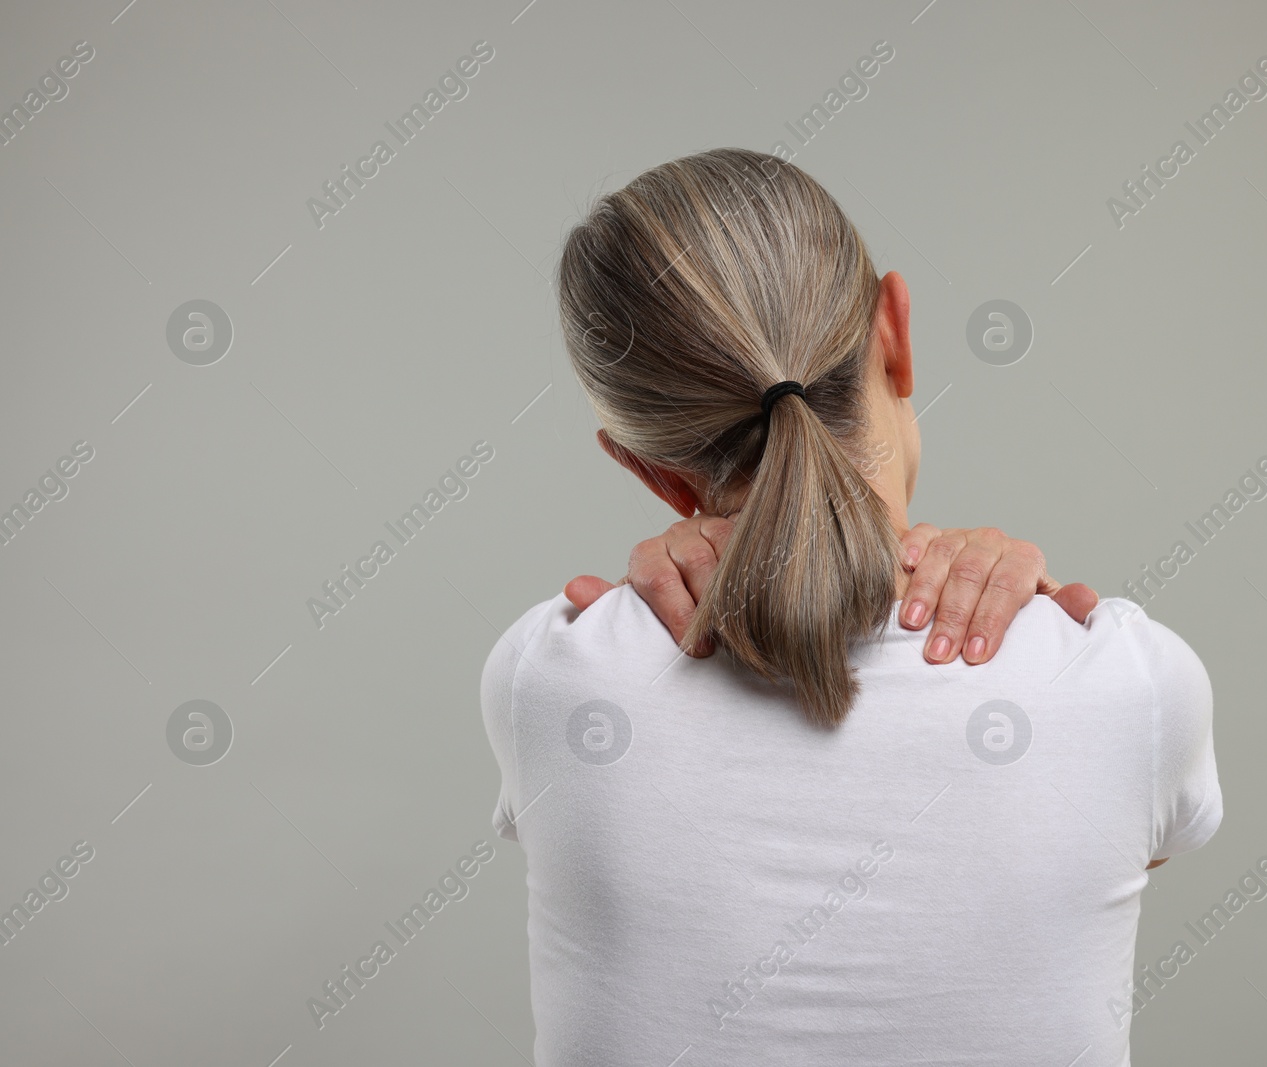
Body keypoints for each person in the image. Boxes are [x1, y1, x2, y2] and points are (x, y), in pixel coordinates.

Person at [481, 148, 1221, 1065]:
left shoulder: (550, 680)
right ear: (897, 333)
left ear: (650, 471)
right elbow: (1091, 845)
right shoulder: (1128, 686)